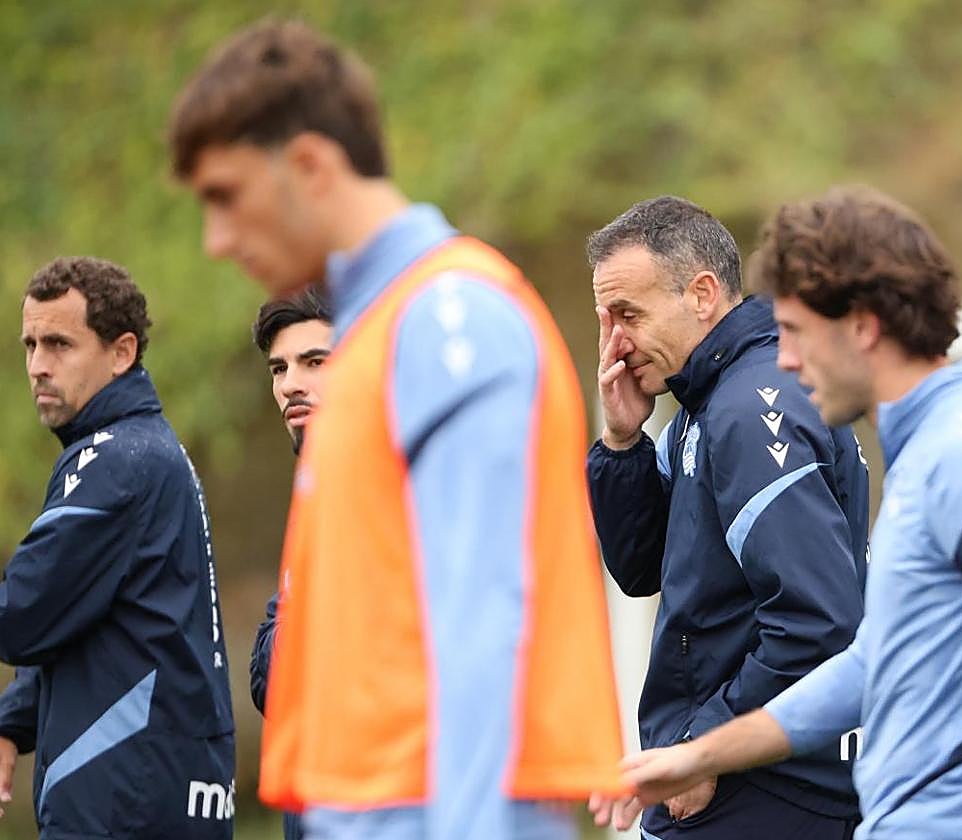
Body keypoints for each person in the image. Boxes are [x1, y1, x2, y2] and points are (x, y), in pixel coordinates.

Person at [168, 19, 625, 840]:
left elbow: (485, 626)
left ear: (308, 165)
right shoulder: (382, 331)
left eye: (225, 197)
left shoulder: (450, 321)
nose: (216, 241)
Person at [613, 187, 962, 839]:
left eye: (793, 331)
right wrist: (697, 754)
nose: (784, 358)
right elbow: (871, 661)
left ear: (862, 326)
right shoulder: (927, 449)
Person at [586, 196, 870, 840]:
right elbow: (641, 570)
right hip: (743, 778)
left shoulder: (747, 408)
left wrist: (702, 744)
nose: (615, 344)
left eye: (629, 314)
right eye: (605, 319)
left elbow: (817, 621)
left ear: (702, 294)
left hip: (767, 788)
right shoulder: (706, 398)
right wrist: (623, 444)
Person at [0, 257, 236, 837]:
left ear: (121, 352)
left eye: (58, 344)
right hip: (154, 789)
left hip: (125, 799)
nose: (36, 366)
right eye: (30, 344)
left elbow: (21, 615)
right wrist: (12, 723)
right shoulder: (140, 450)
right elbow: (69, 613)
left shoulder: (115, 461)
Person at [248, 288, 333, 840]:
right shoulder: (315, 495)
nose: (289, 385)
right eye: (280, 368)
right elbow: (268, 679)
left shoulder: (401, 492)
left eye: (315, 362)